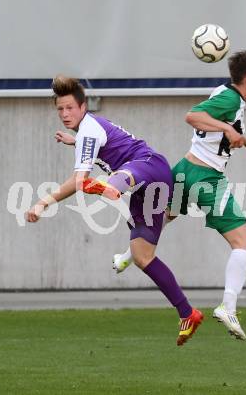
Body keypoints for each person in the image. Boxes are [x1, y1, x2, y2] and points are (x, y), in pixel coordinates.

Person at [25, 75, 203, 346]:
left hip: (148, 166)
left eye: (69, 108)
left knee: (100, 181)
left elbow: (77, 181)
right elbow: (104, 143)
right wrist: (75, 142)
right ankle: (187, 313)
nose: (64, 114)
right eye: (60, 109)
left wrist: (42, 202)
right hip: (148, 188)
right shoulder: (87, 131)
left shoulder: (88, 131)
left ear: (83, 107)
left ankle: (116, 188)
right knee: (144, 257)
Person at [113, 50, 246, 340]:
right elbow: (192, 116)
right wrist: (227, 129)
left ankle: (127, 256)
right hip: (207, 177)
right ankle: (228, 306)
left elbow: (219, 125)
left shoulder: (228, 94)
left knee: (164, 216)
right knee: (244, 243)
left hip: (186, 168)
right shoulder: (231, 98)